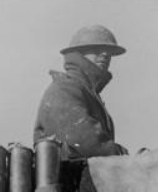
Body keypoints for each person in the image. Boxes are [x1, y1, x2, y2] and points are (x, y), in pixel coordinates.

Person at [33, 24, 128, 158]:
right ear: (79, 54)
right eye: (96, 49)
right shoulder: (65, 88)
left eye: (109, 51)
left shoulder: (86, 92)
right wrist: (123, 154)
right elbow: (87, 143)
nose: (105, 55)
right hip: (67, 177)